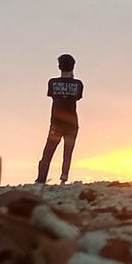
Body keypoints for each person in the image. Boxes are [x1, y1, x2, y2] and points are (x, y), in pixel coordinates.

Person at [36, 54, 84, 184]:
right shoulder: (78, 84)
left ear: (59, 66)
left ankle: (41, 179)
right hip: (72, 123)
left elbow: (53, 95)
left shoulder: (52, 82)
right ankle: (64, 177)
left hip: (56, 123)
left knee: (48, 153)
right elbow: (77, 97)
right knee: (67, 153)